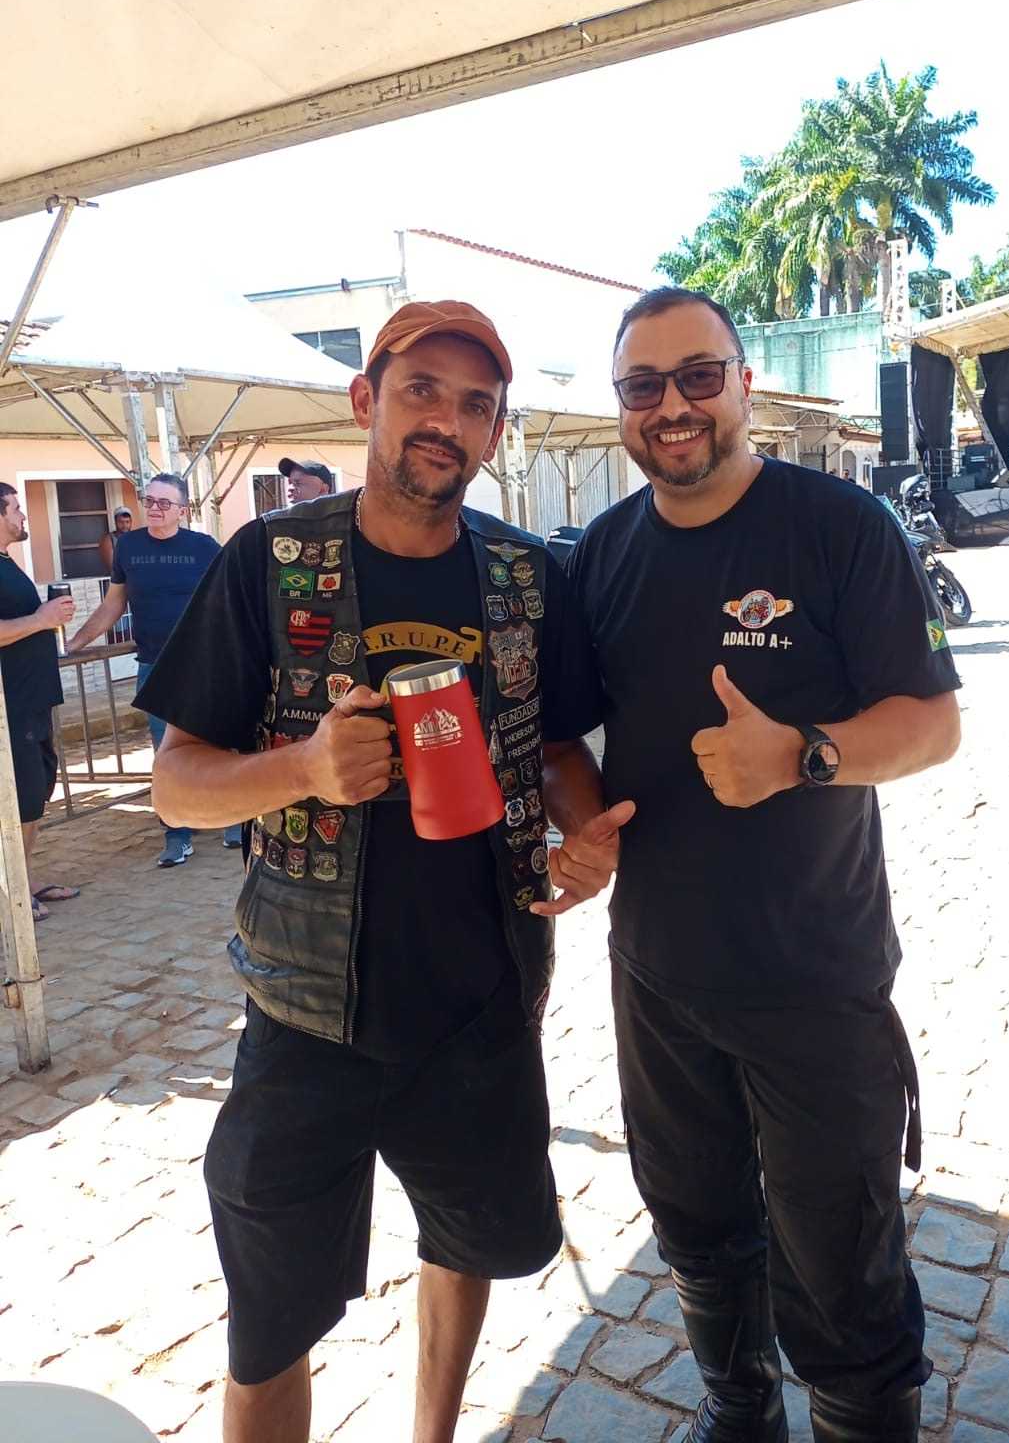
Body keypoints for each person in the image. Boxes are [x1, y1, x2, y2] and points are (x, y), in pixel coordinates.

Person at [135, 301, 623, 1443]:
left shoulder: (523, 575)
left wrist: (586, 834)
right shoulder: (272, 561)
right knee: (271, 1317)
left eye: (474, 405)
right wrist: (303, 767)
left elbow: (558, 748)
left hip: (482, 994)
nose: (446, 420)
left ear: (495, 432)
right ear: (366, 400)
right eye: (422, 391)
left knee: (468, 1241)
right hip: (306, 1007)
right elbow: (175, 785)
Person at [566, 287, 962, 1443]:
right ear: (621, 407)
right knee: (695, 1224)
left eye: (699, 376)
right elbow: (563, 736)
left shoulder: (842, 528)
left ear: (742, 384)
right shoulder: (604, 553)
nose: (673, 406)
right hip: (656, 973)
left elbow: (933, 724)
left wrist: (802, 754)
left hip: (813, 977)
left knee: (841, 1266)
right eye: (643, 386)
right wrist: (580, 824)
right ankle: (739, 1415)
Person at [67, 473, 231, 866]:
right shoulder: (129, 547)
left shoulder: (204, 547)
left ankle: (233, 820)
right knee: (165, 755)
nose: (154, 508)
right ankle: (177, 834)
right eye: (149, 500)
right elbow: (114, 604)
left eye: (164, 502)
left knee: (219, 743)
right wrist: (75, 643)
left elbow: (229, 598)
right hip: (154, 666)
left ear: (182, 510)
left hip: (202, 664)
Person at [0, 484, 78, 920]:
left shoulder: (7, 561)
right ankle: (12, 895)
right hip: (12, 704)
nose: (23, 516)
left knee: (38, 788)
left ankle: (24, 878)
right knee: (25, 796)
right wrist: (40, 619)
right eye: (15, 509)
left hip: (33, 699)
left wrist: (46, 622)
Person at [98, 506, 134, 574]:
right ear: (115, 522)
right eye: (121, 522)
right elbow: (112, 568)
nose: (124, 525)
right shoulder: (108, 540)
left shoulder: (135, 538)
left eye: (127, 522)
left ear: (131, 522)